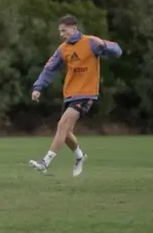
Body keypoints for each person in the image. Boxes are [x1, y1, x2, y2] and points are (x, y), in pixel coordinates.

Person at [29, 15, 122, 176]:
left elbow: (117, 51)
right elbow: (49, 69)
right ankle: (80, 156)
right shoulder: (63, 49)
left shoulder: (91, 42)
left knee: (61, 125)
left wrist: (105, 45)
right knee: (65, 133)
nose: (61, 34)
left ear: (73, 28)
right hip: (70, 94)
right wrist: (38, 87)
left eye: (64, 31)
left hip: (87, 94)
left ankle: (45, 162)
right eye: (60, 31)